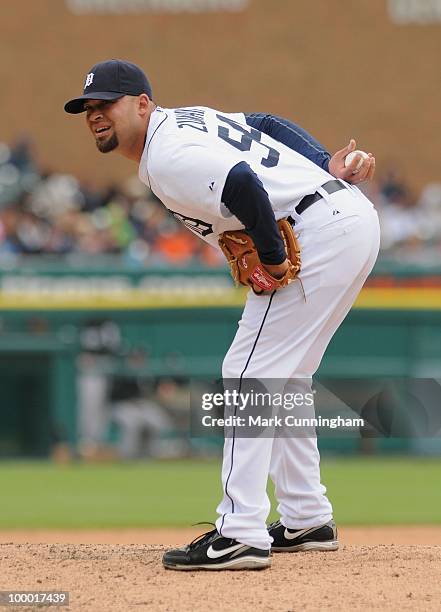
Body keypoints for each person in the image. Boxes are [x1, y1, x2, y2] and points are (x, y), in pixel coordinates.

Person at [65, 59, 380, 571]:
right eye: (88, 109)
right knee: (287, 375)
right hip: (347, 220)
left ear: (143, 103)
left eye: (108, 105)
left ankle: (240, 532)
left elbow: (239, 181)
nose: (96, 115)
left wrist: (273, 254)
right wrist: (324, 163)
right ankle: (306, 519)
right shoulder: (186, 123)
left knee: (247, 376)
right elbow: (266, 125)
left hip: (319, 230)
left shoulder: (167, 154)